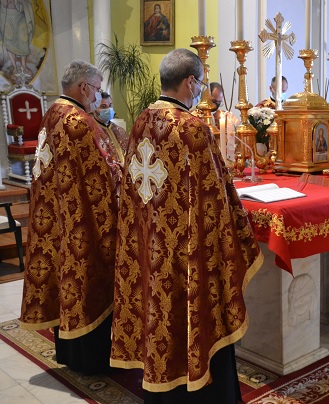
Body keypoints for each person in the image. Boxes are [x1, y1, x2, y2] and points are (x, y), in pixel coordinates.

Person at [109, 48, 263, 403]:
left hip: (152, 244)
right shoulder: (192, 129)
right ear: (190, 81)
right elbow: (218, 198)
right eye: (201, 83)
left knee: (161, 315)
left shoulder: (142, 120)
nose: (201, 91)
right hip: (187, 253)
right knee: (193, 314)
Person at [19, 60, 121, 375]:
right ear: (84, 87)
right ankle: (92, 358)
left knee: (67, 282)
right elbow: (105, 173)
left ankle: (70, 351)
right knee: (89, 280)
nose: (98, 96)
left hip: (59, 218)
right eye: (97, 88)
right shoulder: (81, 122)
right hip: (84, 222)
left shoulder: (52, 114)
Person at [93, 91, 128, 166]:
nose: (108, 109)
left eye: (110, 105)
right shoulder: (93, 132)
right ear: (94, 109)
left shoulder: (119, 129)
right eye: (103, 106)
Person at [0, 0, 34, 74]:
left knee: (23, 40)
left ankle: (24, 65)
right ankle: (14, 67)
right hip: (5, 14)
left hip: (19, 14)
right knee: (9, 40)